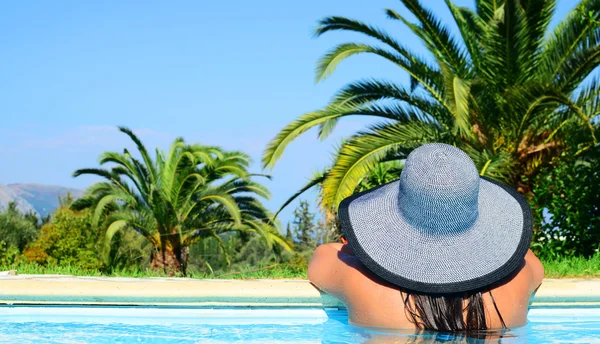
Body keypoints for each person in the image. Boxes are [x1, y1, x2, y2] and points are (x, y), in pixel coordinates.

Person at [308, 143, 544, 332]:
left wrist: (361, 253)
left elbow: (323, 256)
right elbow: (520, 253)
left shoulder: (358, 281)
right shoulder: (519, 281)